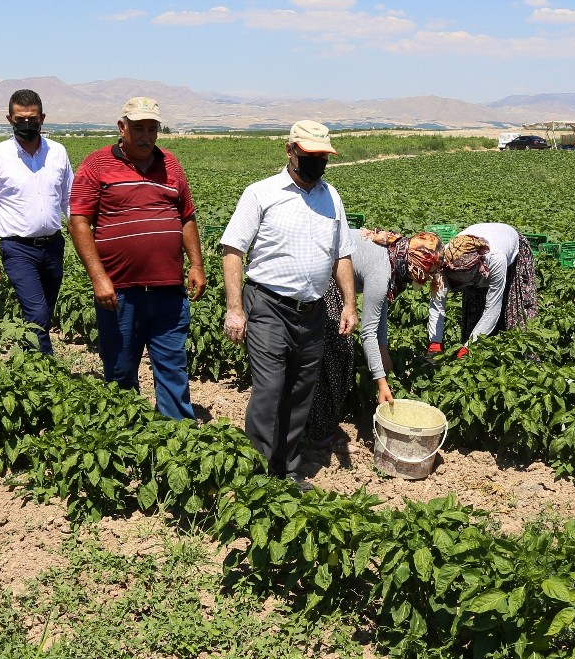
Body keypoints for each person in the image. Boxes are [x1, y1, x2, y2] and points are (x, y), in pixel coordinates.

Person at [221, 121, 357, 485]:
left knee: (300, 392)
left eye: (322, 157)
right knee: (269, 390)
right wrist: (235, 308)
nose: (316, 162)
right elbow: (233, 250)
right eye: (309, 155)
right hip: (267, 305)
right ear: (290, 150)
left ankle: (287, 469)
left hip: (312, 311)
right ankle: (257, 475)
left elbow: (342, 254)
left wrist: (349, 304)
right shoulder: (261, 193)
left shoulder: (332, 197)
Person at [68, 97, 206, 420]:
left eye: (152, 129)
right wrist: (98, 277)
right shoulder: (96, 165)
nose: (146, 136)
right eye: (139, 128)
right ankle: (125, 439)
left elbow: (187, 216)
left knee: (173, 372)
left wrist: (197, 265)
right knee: (120, 373)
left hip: (169, 293)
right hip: (120, 294)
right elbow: (79, 222)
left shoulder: (170, 165)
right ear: (122, 127)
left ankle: (178, 443)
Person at [307, 229, 443, 442]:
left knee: (335, 349)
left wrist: (384, 350)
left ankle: (319, 420)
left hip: (326, 266)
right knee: (336, 351)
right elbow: (367, 331)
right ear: (415, 264)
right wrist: (381, 382)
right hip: (317, 271)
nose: (424, 280)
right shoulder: (382, 271)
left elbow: (380, 311)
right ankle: (319, 430)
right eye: (426, 273)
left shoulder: (394, 254)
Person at [0, 89, 75, 354]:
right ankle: (47, 371)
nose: (27, 124)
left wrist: (83, 237)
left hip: (53, 246)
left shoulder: (58, 152)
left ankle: (30, 361)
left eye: (32, 118)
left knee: (44, 314)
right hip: (18, 248)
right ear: (10, 119)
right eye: (20, 119)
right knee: (37, 313)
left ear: (43, 118)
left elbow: (69, 200)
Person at [426, 223, 538, 357]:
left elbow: (493, 308)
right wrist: (435, 342)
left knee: (513, 312)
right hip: (476, 257)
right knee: (474, 307)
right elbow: (437, 304)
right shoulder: (447, 260)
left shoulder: (497, 258)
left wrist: (469, 347)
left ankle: (518, 358)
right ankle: (478, 352)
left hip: (510, 250)